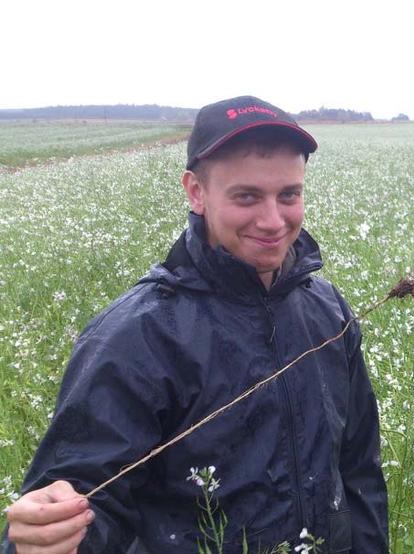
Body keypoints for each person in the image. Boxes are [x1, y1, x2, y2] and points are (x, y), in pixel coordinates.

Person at [2, 96, 388, 552]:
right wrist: (44, 536)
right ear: (196, 192)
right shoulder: (136, 335)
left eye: (289, 195)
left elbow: (358, 469)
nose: (273, 220)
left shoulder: (328, 311)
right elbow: (82, 503)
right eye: (246, 196)